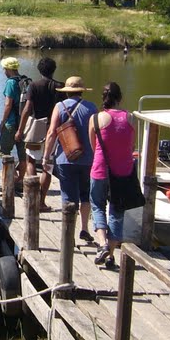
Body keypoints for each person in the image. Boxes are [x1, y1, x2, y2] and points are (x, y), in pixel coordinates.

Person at [42, 76, 97, 244]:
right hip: (87, 158)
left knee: (68, 196)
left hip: (65, 158)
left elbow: (52, 133)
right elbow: (96, 134)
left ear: (66, 92)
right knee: (85, 195)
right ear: (82, 91)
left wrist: (46, 156)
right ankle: (84, 229)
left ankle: (69, 234)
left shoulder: (60, 106)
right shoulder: (92, 107)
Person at [88, 82, 136, 270]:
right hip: (123, 172)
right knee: (117, 212)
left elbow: (93, 146)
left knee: (97, 205)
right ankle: (111, 255)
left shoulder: (96, 119)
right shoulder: (131, 118)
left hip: (100, 169)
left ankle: (102, 244)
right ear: (120, 98)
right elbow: (131, 146)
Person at [15, 57, 63, 210]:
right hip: (53, 130)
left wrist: (20, 130)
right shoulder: (60, 87)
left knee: (30, 160)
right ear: (53, 70)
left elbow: (27, 109)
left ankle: (32, 195)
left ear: (39, 70)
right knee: (47, 166)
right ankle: (41, 201)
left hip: (37, 128)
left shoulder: (34, 86)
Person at [0, 57, 27, 184]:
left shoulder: (10, 82)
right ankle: (21, 180)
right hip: (23, 123)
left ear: (8, 69)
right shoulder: (24, 80)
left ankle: (12, 178)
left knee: (3, 151)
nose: (4, 71)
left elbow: (8, 104)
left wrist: (2, 121)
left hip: (11, 123)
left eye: (4, 68)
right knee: (22, 153)